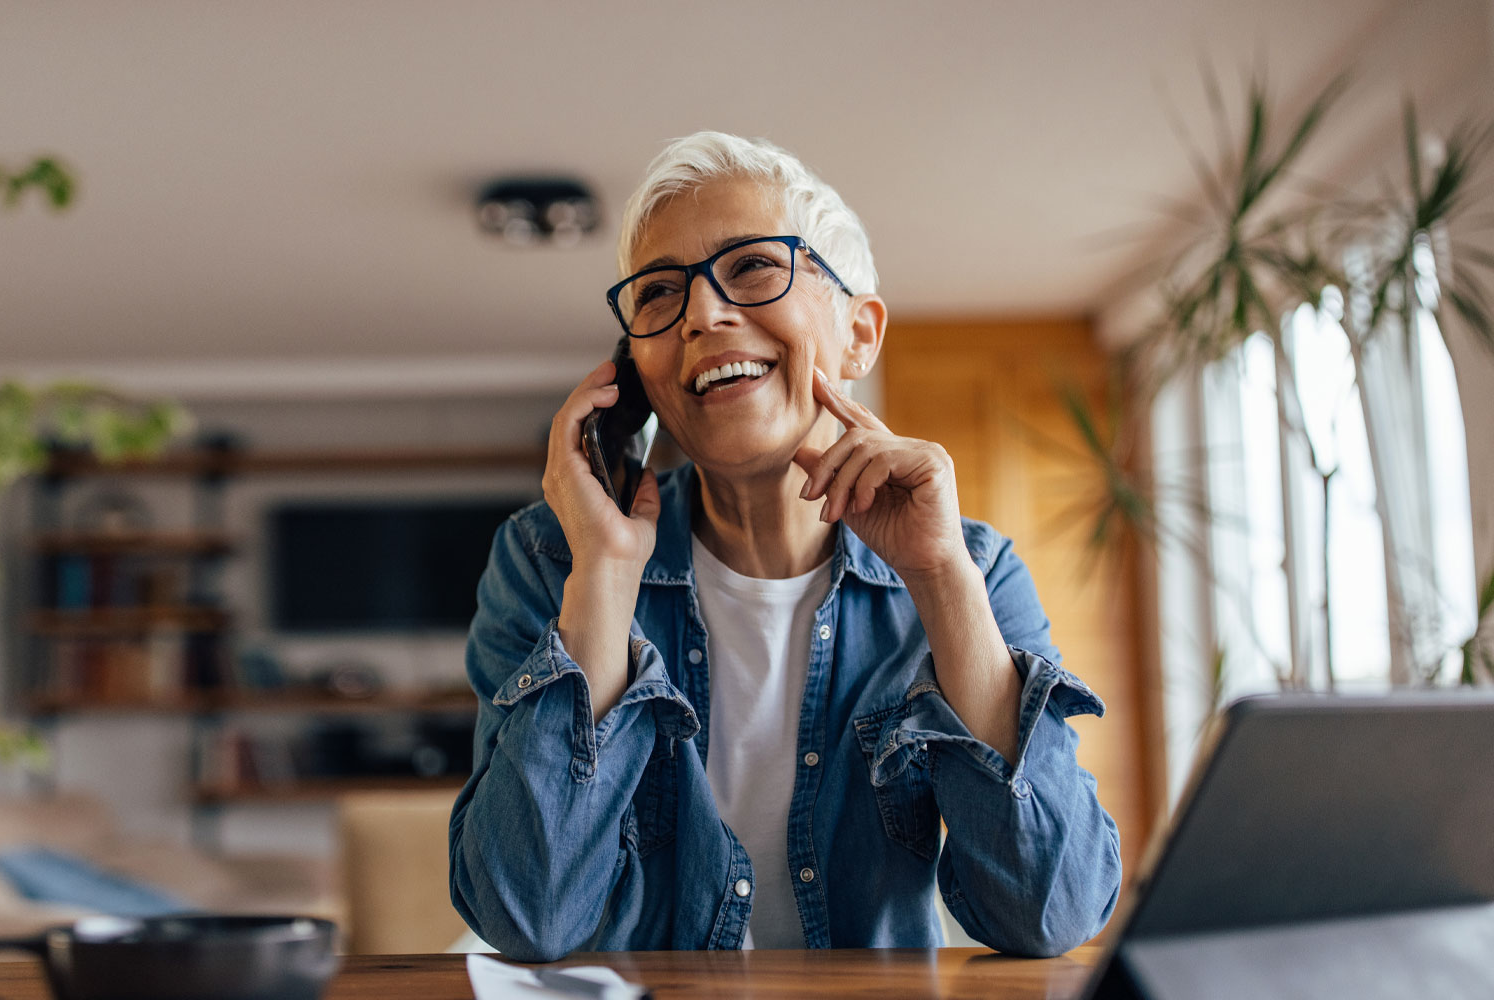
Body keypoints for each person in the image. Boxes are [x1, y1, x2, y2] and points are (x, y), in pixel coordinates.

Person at [447, 132, 1121, 961]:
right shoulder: (549, 562)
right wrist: (606, 574)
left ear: (859, 334)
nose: (702, 314)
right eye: (659, 293)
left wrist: (940, 577)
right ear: (638, 372)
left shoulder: (973, 568)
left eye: (756, 267)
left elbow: (1049, 913)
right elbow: (527, 915)